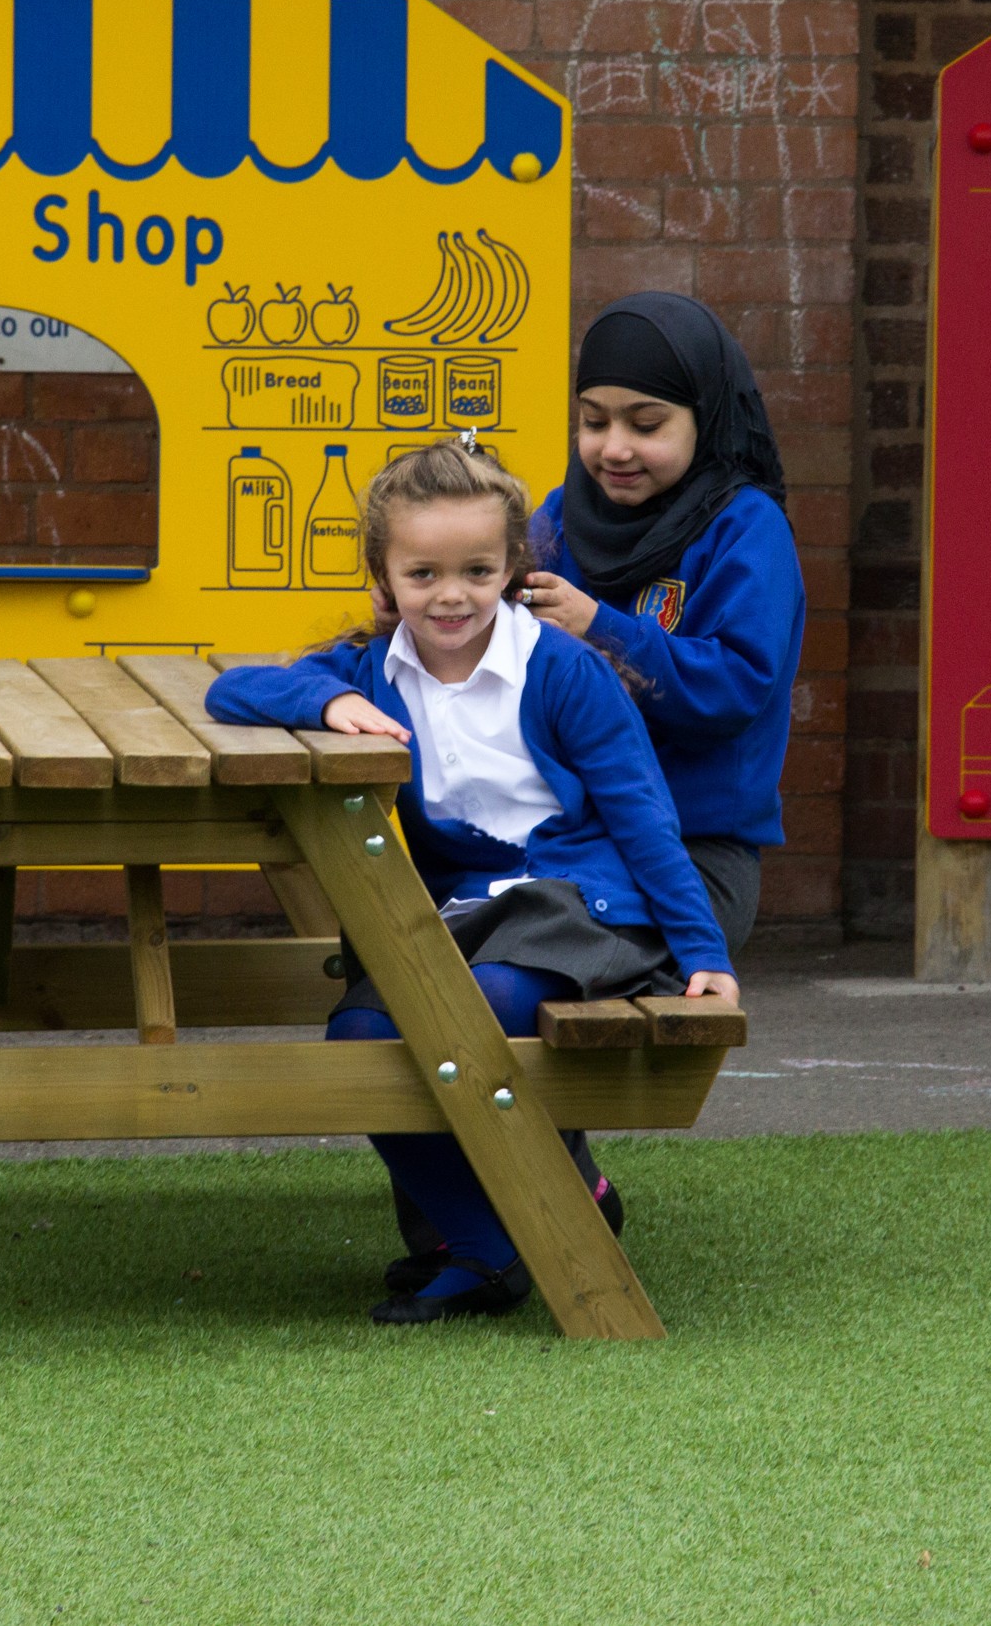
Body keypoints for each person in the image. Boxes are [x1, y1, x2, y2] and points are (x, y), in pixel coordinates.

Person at [206, 441, 740, 1325]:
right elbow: (234, 693)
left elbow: (644, 820)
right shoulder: (372, 667)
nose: (450, 594)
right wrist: (326, 706)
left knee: (471, 1006)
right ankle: (491, 1237)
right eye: (422, 573)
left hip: (579, 901)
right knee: (360, 1038)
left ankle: (542, 1212)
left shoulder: (560, 670)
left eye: (476, 570)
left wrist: (702, 952)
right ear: (382, 578)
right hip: (463, 907)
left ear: (512, 568)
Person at [385, 294, 806, 1294]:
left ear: (704, 419)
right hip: (555, 859)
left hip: (686, 865)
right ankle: (476, 1227)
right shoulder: (557, 522)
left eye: (646, 424)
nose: (613, 447)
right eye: (593, 419)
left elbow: (740, 686)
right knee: (396, 1000)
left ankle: (549, 1205)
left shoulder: (744, 531)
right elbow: (475, 623)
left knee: (488, 1000)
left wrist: (601, 629)